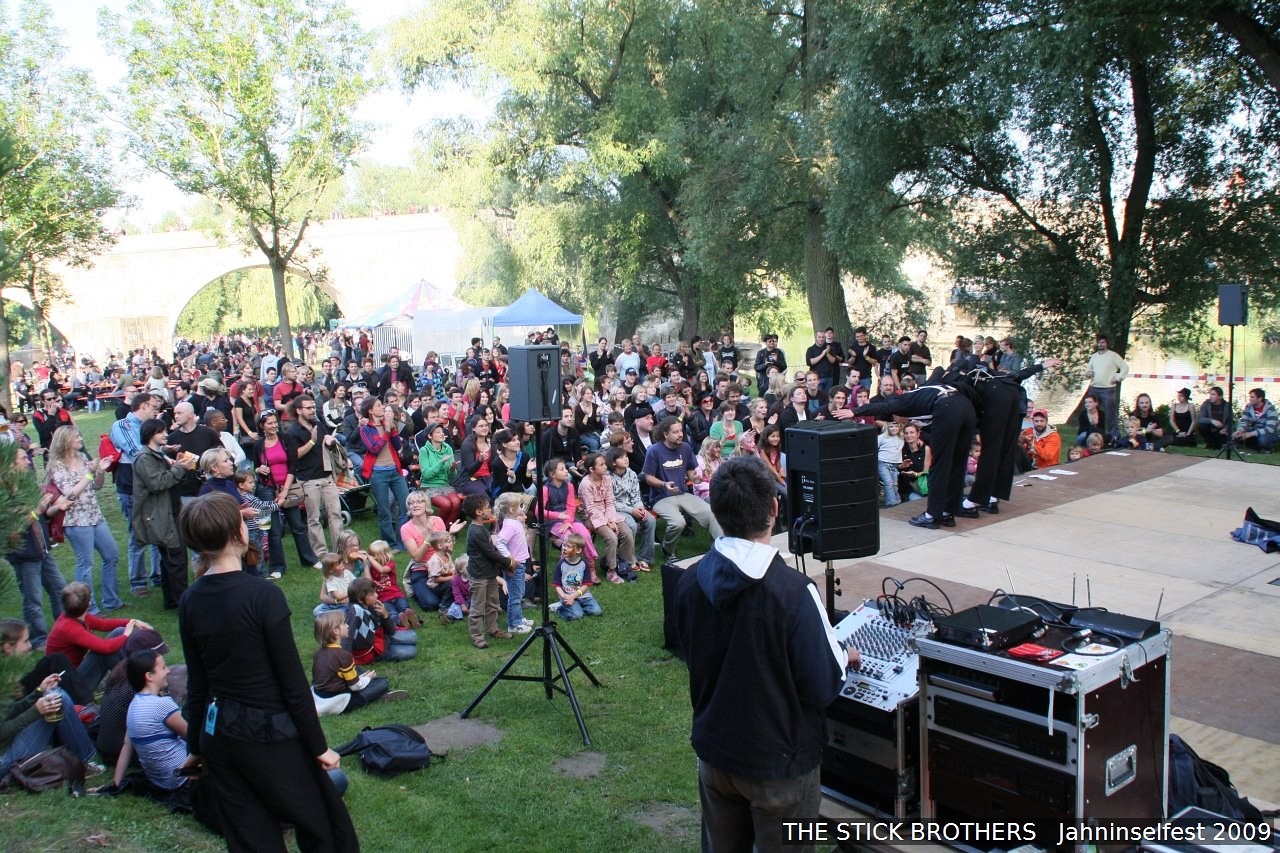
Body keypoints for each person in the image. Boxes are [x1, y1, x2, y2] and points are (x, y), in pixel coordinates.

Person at [673, 456, 851, 851]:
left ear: (716, 510)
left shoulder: (689, 581)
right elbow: (823, 685)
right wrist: (842, 655)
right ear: (774, 508)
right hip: (779, 766)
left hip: (716, 752)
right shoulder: (793, 592)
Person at [176, 492, 357, 852]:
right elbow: (292, 682)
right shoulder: (262, 596)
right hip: (266, 733)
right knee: (323, 825)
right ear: (237, 533)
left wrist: (196, 746)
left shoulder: (191, 599)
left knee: (251, 835)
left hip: (220, 737)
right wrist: (319, 747)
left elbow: (198, 685)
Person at [855, 383, 977, 530]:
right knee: (957, 463)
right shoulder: (920, 399)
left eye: (896, 419)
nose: (899, 423)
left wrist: (854, 411)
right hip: (966, 407)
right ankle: (947, 513)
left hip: (948, 408)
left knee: (940, 466)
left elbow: (881, 407)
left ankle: (931, 516)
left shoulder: (902, 401)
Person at [0, 620, 99, 781]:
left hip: (7, 746)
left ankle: (78, 753)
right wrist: (35, 711)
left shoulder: (6, 673)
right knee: (58, 698)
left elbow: (7, 712)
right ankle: (84, 759)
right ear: (7, 647)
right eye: (25, 641)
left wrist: (37, 692)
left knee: (52, 694)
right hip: (3, 760)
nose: (30, 646)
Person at [46, 426, 121, 614]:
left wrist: (100, 471)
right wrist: (88, 474)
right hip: (76, 520)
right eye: (76, 436)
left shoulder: (82, 457)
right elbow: (70, 493)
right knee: (86, 564)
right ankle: (89, 608)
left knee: (111, 554)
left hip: (95, 514)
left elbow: (96, 486)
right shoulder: (57, 466)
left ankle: (112, 601)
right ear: (65, 441)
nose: (81, 438)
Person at [4, 449, 66, 649]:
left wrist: (48, 505)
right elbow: (15, 526)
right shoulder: (5, 492)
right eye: (23, 458)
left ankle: (63, 630)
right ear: (11, 463)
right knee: (33, 599)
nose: (28, 462)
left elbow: (42, 514)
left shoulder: (25, 484)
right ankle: (38, 639)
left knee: (59, 589)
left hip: (41, 549)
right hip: (24, 554)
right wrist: (37, 509)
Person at [132, 418, 197, 608]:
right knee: (176, 559)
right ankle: (184, 604)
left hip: (169, 512)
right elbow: (157, 483)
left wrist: (177, 466)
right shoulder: (144, 458)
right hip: (161, 516)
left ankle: (171, 601)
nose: (166, 434)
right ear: (151, 434)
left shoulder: (157, 455)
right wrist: (178, 468)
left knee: (169, 559)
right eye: (161, 432)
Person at [45, 582, 152, 690]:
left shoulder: (75, 616)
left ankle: (142, 672)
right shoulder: (69, 628)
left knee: (119, 631)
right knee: (108, 653)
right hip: (69, 687)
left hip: (75, 674)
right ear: (89, 605)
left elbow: (104, 624)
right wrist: (126, 634)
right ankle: (138, 685)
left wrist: (132, 621)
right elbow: (106, 647)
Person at [643, 417, 724, 558]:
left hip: (682, 493)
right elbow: (648, 478)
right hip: (661, 497)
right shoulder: (654, 450)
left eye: (681, 431)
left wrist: (696, 478)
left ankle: (721, 549)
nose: (680, 434)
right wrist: (664, 484)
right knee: (678, 523)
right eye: (675, 432)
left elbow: (691, 473)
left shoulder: (685, 447)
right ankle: (668, 550)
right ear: (665, 434)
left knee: (713, 514)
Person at [310, 611, 399, 717]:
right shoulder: (343, 655)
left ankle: (371, 691)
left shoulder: (319, 653)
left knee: (358, 670)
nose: (347, 625)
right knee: (382, 683)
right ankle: (376, 696)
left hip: (319, 695)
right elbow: (355, 686)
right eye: (344, 623)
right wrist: (368, 678)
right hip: (337, 700)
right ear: (335, 631)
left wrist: (362, 677)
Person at [462, 494, 515, 649]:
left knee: (493, 603)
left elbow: (492, 550)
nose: (490, 509)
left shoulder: (482, 529)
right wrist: (509, 562)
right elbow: (491, 553)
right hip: (479, 575)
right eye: (487, 507)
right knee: (477, 607)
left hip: (490, 573)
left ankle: (493, 629)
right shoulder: (476, 532)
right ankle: (478, 637)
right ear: (478, 512)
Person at [360, 395, 412, 549]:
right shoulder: (365, 429)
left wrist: (392, 429)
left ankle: (402, 542)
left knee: (405, 506)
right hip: (378, 474)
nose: (382, 407)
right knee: (384, 511)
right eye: (378, 405)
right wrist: (387, 431)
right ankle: (390, 543)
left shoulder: (387, 424)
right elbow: (374, 448)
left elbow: (397, 446)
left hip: (395, 471)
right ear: (370, 411)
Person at [578, 452, 637, 584]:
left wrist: (611, 520)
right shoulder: (586, 484)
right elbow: (591, 509)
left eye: (605, 464)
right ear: (591, 469)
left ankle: (624, 564)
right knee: (611, 538)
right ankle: (611, 570)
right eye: (602, 465)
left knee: (627, 532)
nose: (605, 467)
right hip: (591, 516)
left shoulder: (607, 479)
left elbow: (610, 502)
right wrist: (607, 522)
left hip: (607, 512)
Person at [492, 492, 535, 634]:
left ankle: (519, 618)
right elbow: (499, 542)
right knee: (515, 597)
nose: (522, 508)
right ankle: (514, 625)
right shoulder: (510, 525)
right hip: (514, 565)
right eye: (520, 505)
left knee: (519, 593)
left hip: (520, 564)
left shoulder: (515, 522)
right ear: (511, 509)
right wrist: (509, 557)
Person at [607, 446, 655, 572]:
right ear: (613, 462)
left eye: (626, 457)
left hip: (633, 507)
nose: (626, 459)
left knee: (650, 520)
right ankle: (629, 560)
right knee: (632, 525)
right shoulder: (607, 478)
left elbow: (635, 495)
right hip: (617, 510)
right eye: (621, 458)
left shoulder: (632, 474)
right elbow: (611, 502)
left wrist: (640, 508)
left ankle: (645, 558)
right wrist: (631, 510)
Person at [550, 533, 602, 620]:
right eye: (564, 545)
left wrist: (573, 596)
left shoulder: (584, 564)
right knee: (577, 615)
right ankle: (558, 608)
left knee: (597, 611)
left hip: (584, 596)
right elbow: (557, 585)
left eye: (568, 546)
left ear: (578, 550)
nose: (564, 548)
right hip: (567, 597)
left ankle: (577, 608)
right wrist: (565, 597)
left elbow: (586, 584)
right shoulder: (561, 564)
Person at [1085, 333, 1129, 434]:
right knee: (1092, 411)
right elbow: (1087, 371)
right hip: (1094, 388)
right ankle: (1093, 433)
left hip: (1108, 389)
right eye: (1099, 342)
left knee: (1110, 413)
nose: (1100, 344)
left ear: (1107, 343)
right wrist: (1088, 374)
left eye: (1103, 342)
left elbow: (1125, 367)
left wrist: (1118, 377)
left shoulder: (1113, 356)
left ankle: (1114, 434)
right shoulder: (1094, 356)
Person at [877, 421, 904, 507]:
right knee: (888, 482)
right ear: (887, 427)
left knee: (895, 483)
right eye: (891, 426)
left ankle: (897, 500)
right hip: (883, 462)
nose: (894, 428)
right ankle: (891, 502)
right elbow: (873, 447)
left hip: (895, 464)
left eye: (896, 426)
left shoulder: (901, 437)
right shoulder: (882, 437)